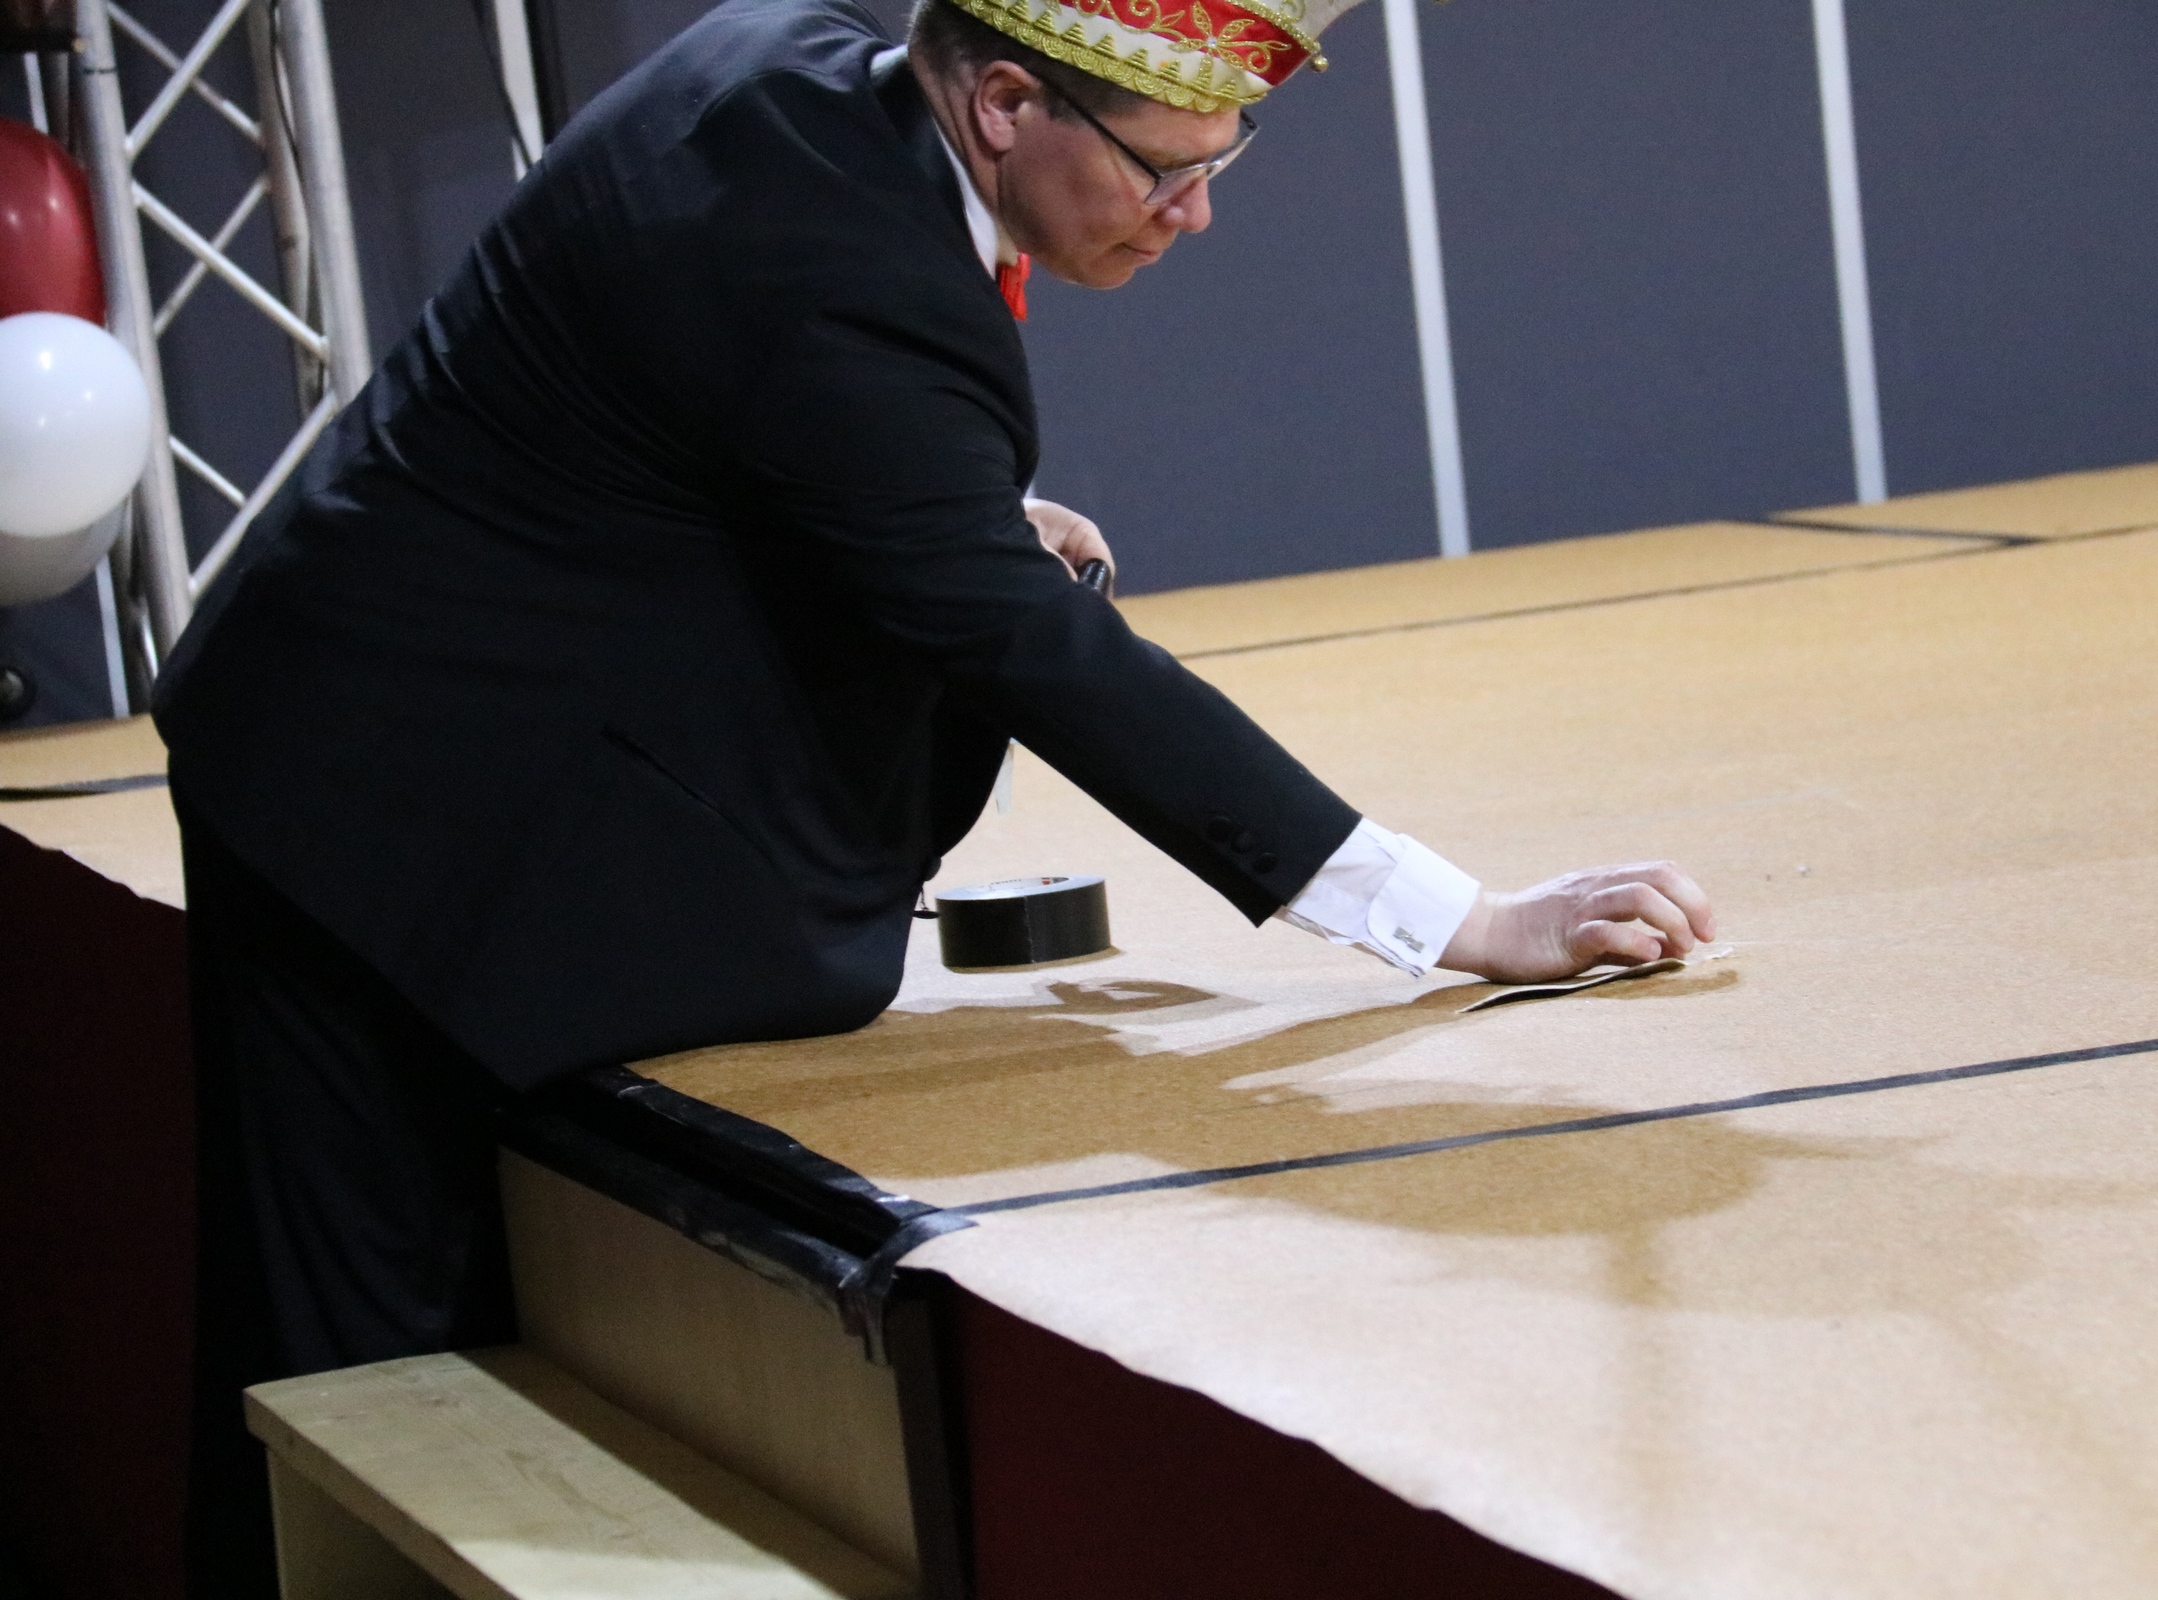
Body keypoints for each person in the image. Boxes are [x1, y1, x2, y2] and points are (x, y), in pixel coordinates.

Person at [153, 0, 1716, 1591]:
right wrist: (1460, 922)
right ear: (1007, 103)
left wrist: (954, 510)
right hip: (388, 793)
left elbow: (710, 406)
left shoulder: (780, 63)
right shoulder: (852, 291)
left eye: (1222, 160)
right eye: (1163, 171)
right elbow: (1035, 653)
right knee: (368, 1362)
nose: (1195, 215)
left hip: (404, 706)